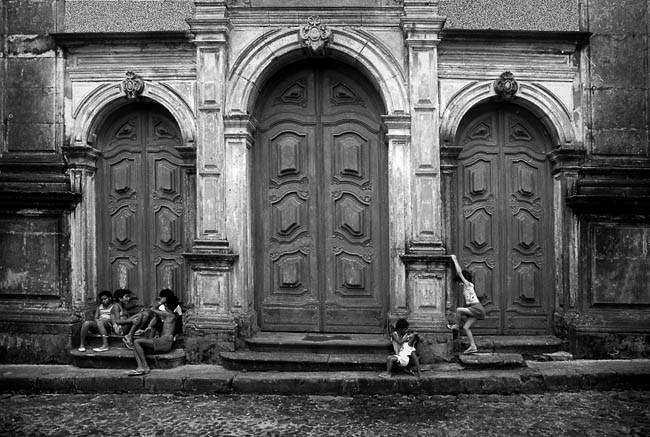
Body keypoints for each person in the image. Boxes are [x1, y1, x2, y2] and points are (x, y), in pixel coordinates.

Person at [127, 290, 180, 376]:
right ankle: (140, 367)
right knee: (135, 346)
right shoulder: (170, 315)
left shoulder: (168, 314)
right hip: (163, 341)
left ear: (166, 304)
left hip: (165, 342)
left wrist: (160, 301)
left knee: (136, 341)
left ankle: (145, 366)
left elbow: (152, 309)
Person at [447, 254, 485, 354]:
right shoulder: (466, 288)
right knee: (466, 327)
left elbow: (459, 272)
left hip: (477, 308)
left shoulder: (468, 285)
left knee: (459, 309)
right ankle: (473, 346)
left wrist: (454, 259)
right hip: (476, 309)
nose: (460, 283)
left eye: (460, 281)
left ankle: (456, 325)